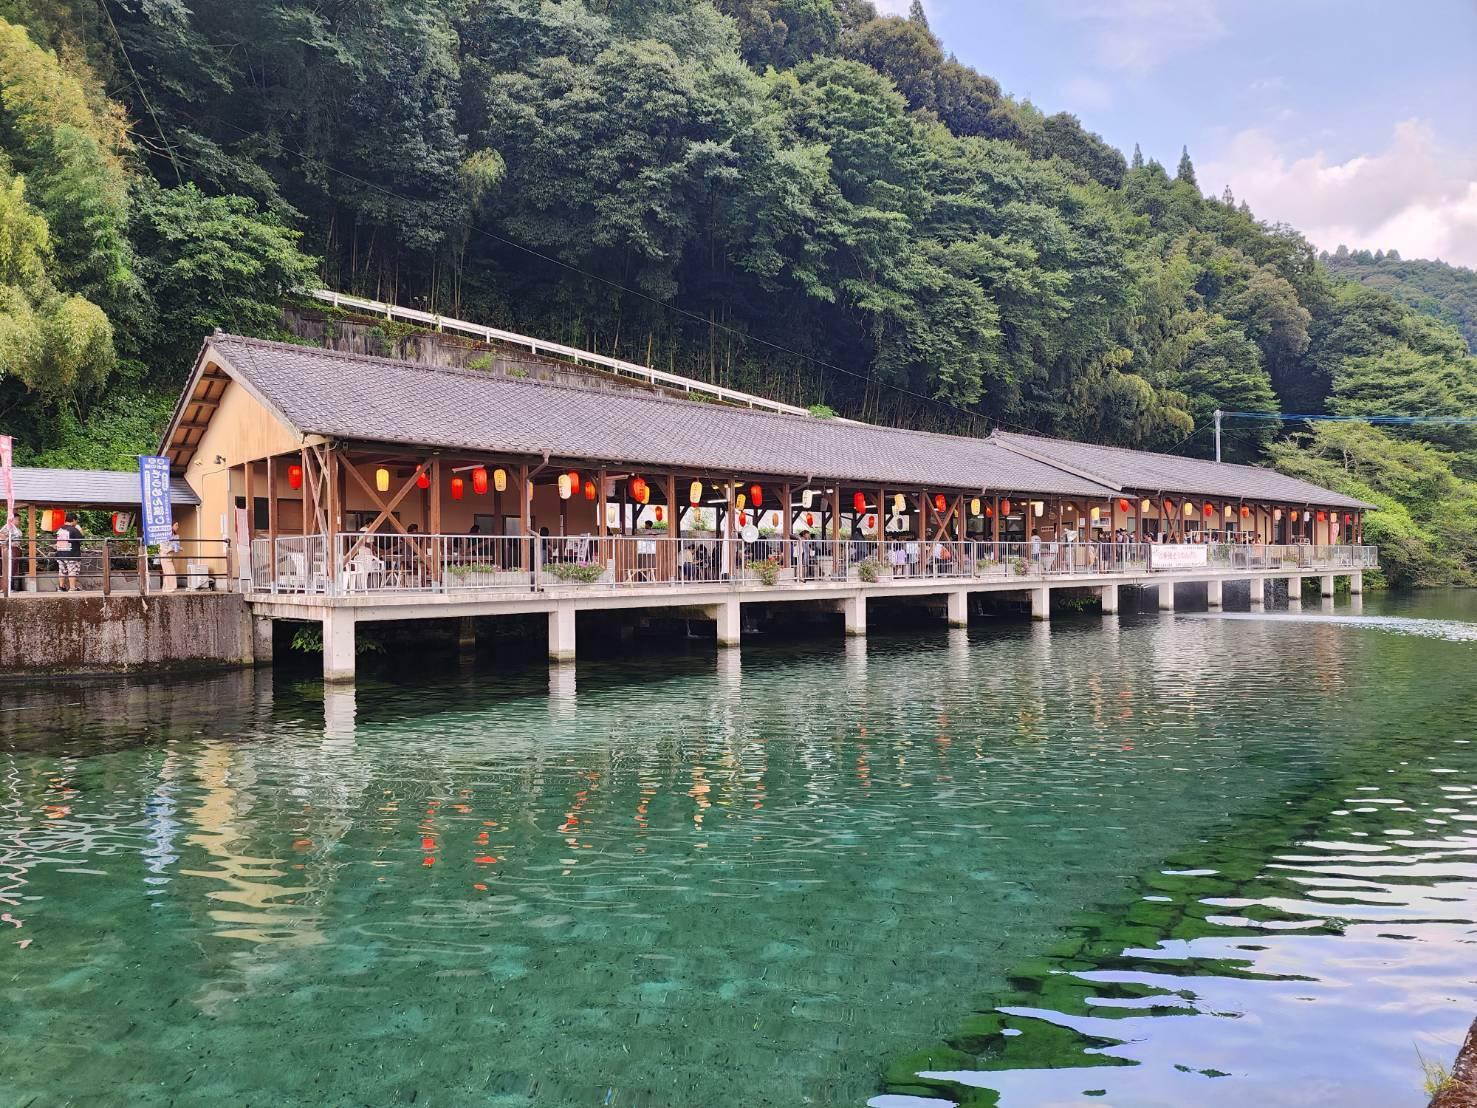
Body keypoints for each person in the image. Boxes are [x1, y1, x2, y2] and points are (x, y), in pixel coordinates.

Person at [55, 513, 84, 592]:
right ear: (74, 520)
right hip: (71, 554)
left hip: (60, 553)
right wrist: (80, 530)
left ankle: (61, 587)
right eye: (76, 521)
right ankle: (72, 588)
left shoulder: (60, 529)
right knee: (72, 570)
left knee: (62, 570)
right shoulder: (74, 529)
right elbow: (81, 539)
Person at [160, 520, 182, 592]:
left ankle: (166, 588)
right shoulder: (165, 535)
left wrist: (179, 548)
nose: (177, 527)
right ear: (171, 526)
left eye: (177, 525)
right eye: (176, 525)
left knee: (169, 571)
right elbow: (163, 547)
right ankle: (168, 588)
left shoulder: (175, 535)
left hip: (170, 555)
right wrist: (172, 548)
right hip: (165, 555)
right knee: (169, 571)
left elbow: (176, 546)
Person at [2, 514, 21, 593]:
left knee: (14, 568)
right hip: (10, 548)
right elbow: (1, 534)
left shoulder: (16, 528)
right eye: (18, 519)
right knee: (10, 567)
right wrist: (8, 541)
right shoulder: (8, 526)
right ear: (13, 519)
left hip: (16, 548)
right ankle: (7, 587)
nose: (19, 521)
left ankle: (12, 586)